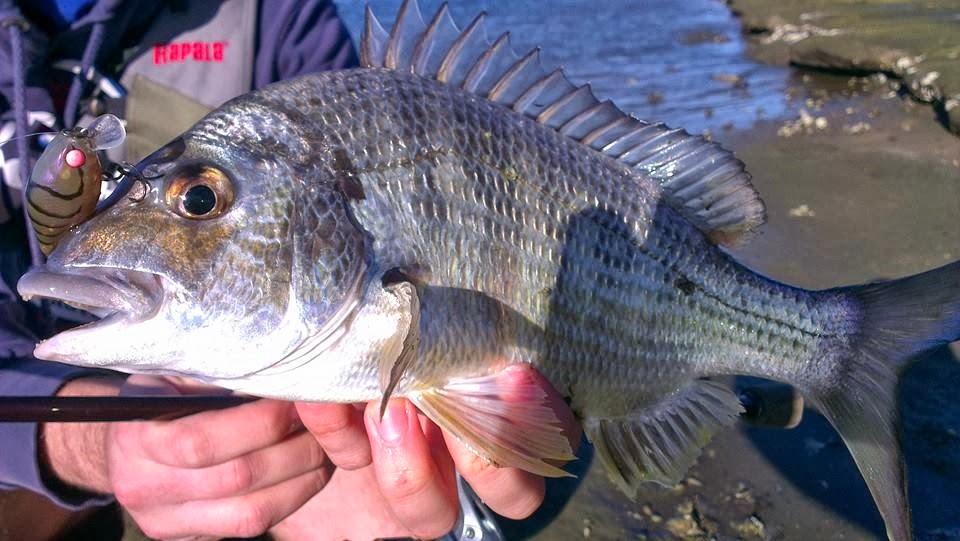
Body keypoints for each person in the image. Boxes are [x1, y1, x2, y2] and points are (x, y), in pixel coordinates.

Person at [0, 1, 581, 539]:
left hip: (248, 402)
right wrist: (84, 443)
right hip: (31, 447)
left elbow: (373, 139)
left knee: (373, 476)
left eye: (201, 201)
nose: (200, 204)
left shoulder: (270, 12)